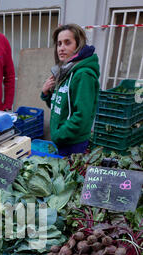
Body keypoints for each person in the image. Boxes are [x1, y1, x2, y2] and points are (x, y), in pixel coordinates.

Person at [41, 24, 100, 157]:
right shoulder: (65, 71)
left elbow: (82, 117)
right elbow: (59, 106)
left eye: (67, 43)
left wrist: (59, 134)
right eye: (59, 43)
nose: (61, 48)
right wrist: (46, 93)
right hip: (63, 141)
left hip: (73, 144)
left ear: (78, 45)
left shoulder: (83, 75)